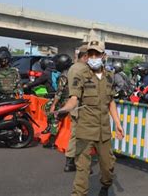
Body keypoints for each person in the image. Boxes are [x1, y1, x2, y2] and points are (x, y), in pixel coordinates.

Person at [57, 39, 124, 196]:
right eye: (90, 54)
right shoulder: (80, 75)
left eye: (97, 54)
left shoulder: (110, 77)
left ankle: (105, 186)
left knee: (108, 168)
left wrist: (118, 123)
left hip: (104, 130)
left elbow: (111, 101)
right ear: (86, 56)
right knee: (82, 169)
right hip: (85, 129)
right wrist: (64, 109)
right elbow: (74, 98)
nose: (93, 57)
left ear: (104, 55)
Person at [64, 45, 88, 172]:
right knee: (85, 137)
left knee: (74, 134)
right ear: (85, 56)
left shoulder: (72, 68)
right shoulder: (85, 69)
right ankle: (82, 164)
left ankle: (69, 162)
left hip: (73, 105)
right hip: (83, 106)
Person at [42, 53, 73, 149]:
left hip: (65, 101)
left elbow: (59, 92)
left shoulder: (63, 76)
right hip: (74, 100)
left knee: (54, 118)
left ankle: (51, 142)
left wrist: (54, 105)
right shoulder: (73, 73)